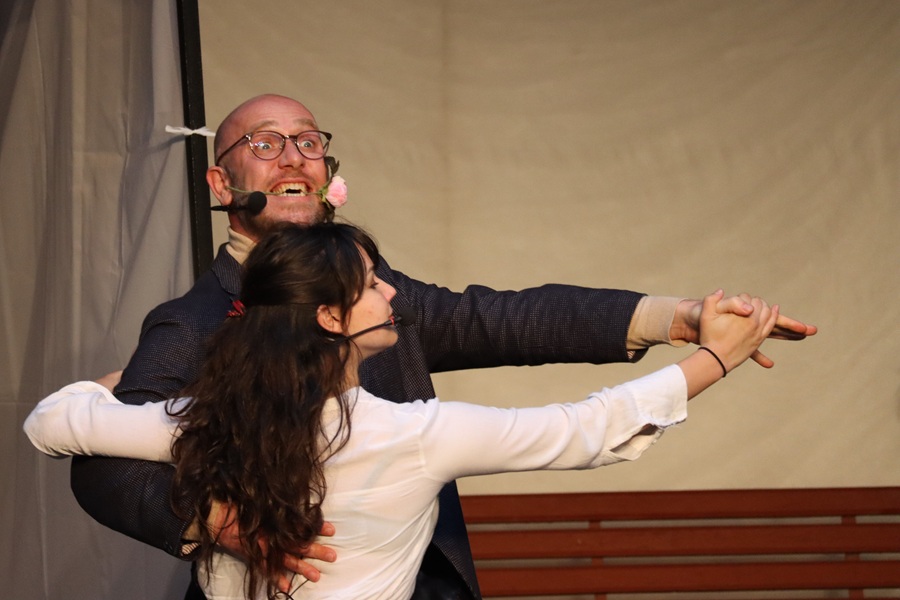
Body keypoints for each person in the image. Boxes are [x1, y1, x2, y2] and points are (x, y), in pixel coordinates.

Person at [67, 93, 816, 600]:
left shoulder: (378, 294)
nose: (293, 157)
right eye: (265, 144)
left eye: (308, 142)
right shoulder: (193, 321)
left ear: (329, 174)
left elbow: (507, 319)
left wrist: (680, 317)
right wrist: (219, 522)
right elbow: (100, 466)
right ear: (221, 180)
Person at [29, 222, 781, 600]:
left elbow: (51, 423)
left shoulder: (201, 419)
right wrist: (719, 357)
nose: (392, 291)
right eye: (373, 284)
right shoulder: (412, 433)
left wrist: (105, 386)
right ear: (329, 318)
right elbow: (584, 428)